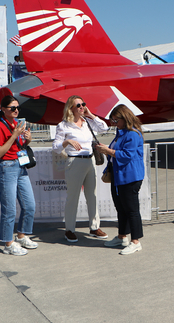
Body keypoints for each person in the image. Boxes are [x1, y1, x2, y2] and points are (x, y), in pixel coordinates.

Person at [53, 95, 109, 243]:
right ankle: (70, 229)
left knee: (92, 195)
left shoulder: (87, 122)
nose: (81, 107)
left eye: (83, 104)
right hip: (74, 162)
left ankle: (94, 226)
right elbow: (56, 148)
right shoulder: (63, 125)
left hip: (89, 160)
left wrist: (90, 115)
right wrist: (66, 142)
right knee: (73, 197)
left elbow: (104, 127)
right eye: (78, 105)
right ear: (70, 108)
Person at [0, 95, 37, 256]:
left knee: (29, 204)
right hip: (7, 168)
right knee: (9, 209)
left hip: (20, 166)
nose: (16, 110)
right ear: (3, 109)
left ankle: (22, 235)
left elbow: (18, 147)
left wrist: (27, 141)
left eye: (18, 108)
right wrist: (15, 136)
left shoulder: (17, 124)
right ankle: (8, 243)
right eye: (12, 108)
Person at [97, 105, 145, 255]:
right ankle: (122, 236)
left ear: (124, 118)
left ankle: (135, 241)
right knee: (121, 208)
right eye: (113, 120)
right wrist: (107, 150)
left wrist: (108, 151)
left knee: (132, 210)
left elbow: (126, 156)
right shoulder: (121, 133)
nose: (114, 123)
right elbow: (117, 152)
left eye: (116, 120)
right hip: (119, 177)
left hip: (130, 177)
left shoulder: (132, 134)